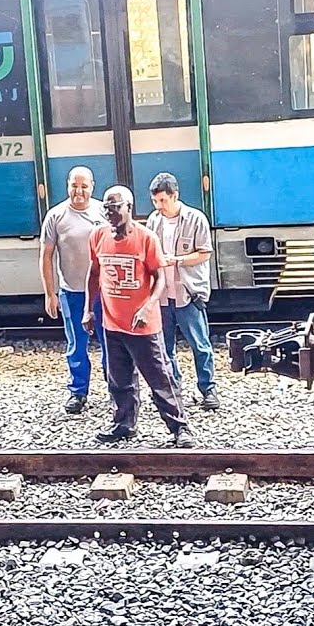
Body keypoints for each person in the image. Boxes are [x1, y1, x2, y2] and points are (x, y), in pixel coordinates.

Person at [83, 185, 196, 447]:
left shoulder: (146, 238)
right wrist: (89, 309)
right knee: (119, 379)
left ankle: (179, 427)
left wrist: (148, 306)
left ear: (129, 208)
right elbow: (94, 274)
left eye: (116, 207)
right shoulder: (98, 236)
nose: (110, 212)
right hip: (112, 322)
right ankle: (124, 423)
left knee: (160, 378)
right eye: (107, 208)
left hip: (143, 326)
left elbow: (159, 277)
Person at [145, 172, 220, 410]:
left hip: (188, 292)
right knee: (165, 347)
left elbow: (205, 253)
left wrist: (175, 260)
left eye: (163, 201)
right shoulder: (153, 221)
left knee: (200, 344)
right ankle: (172, 388)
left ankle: (208, 388)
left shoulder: (196, 219)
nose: (159, 206)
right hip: (162, 295)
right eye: (155, 201)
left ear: (175, 196)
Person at [40, 166, 107, 414]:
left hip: (103, 292)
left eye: (84, 186)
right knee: (76, 345)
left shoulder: (103, 211)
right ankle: (78, 392)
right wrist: (50, 293)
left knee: (110, 343)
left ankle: (116, 390)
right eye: (74, 186)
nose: (79, 191)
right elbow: (46, 256)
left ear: (92, 186)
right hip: (72, 292)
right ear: (68, 185)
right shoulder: (56, 216)